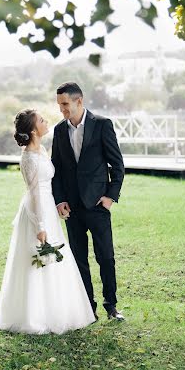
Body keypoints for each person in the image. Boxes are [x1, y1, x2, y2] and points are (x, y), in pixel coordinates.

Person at [0, 109, 95, 334]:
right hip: (37, 211)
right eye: (41, 120)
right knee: (38, 259)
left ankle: (57, 309)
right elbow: (34, 195)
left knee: (54, 259)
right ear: (32, 130)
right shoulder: (29, 157)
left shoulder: (40, 150)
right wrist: (40, 226)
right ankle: (35, 316)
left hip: (48, 207)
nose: (46, 121)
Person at [52, 82, 125, 321]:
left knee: (106, 257)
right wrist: (60, 200)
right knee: (78, 260)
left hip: (97, 205)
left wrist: (110, 197)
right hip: (72, 208)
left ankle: (111, 306)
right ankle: (87, 309)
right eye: (59, 105)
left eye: (65, 104)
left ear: (79, 101)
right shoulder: (59, 131)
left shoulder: (102, 125)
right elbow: (58, 169)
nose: (62, 109)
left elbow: (117, 164)